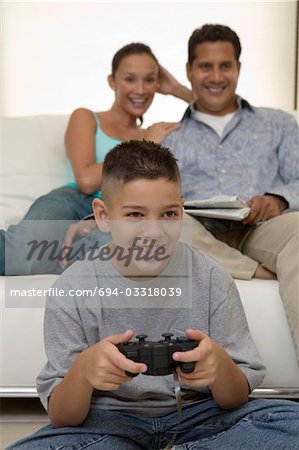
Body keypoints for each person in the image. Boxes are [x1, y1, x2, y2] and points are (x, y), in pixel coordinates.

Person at [6, 140, 299, 450]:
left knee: (290, 424)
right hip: (109, 422)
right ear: (103, 216)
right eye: (135, 215)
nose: (154, 231)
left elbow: (235, 397)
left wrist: (220, 367)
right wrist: (82, 373)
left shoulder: (211, 277)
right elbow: (63, 416)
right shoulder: (72, 287)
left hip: (201, 417)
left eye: (169, 214)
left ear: (182, 212)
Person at [161, 24, 299, 359]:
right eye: (205, 66)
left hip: (262, 228)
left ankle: (256, 262)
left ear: (238, 68)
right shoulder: (170, 135)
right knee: (165, 227)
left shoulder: (277, 123)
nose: (216, 76)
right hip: (201, 234)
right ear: (190, 71)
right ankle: (258, 271)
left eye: (226, 66)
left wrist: (278, 199)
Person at [0, 42, 192, 275]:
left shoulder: (154, 133)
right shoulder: (88, 118)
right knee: (20, 256)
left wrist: (177, 89)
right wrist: (145, 145)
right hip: (72, 201)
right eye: (130, 79)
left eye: (149, 80)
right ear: (112, 81)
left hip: (118, 212)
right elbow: (86, 180)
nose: (141, 90)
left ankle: (60, 250)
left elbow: (218, 109)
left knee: (115, 255)